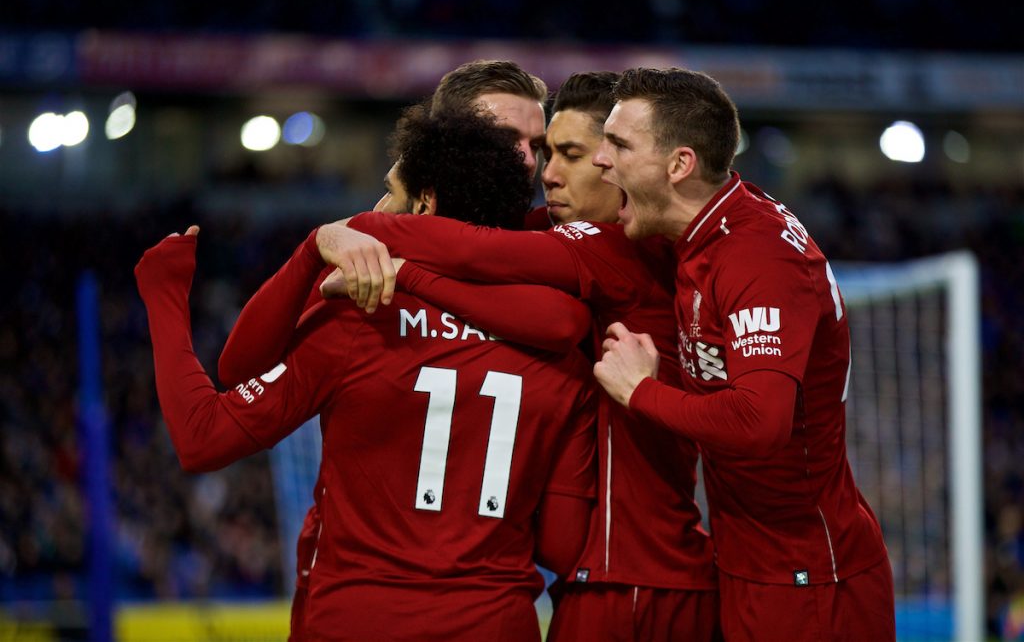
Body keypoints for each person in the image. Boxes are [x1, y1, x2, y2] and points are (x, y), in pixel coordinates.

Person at [135, 106, 598, 642]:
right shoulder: (564, 350)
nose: (376, 210)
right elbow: (563, 544)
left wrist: (165, 296)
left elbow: (202, 438)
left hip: (360, 619)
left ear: (425, 202)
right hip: (498, 621)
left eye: (390, 192)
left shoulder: (360, 317)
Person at [320, 72, 720, 642]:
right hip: (613, 575)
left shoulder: (619, 249)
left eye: (569, 154)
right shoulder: (570, 239)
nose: (544, 173)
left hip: (628, 582)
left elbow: (477, 251)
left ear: (616, 162)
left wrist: (350, 234)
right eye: (542, 150)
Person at [591, 67, 895, 641]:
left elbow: (760, 420)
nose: (602, 161)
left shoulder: (755, 258)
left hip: (808, 581)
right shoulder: (705, 230)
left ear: (679, 165)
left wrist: (642, 392)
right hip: (758, 564)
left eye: (619, 144)